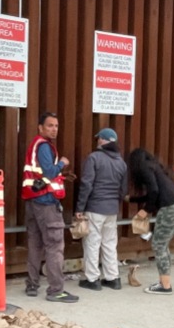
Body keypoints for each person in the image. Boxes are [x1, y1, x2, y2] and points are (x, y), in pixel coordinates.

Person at [21, 112, 78, 303]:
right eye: (50, 125)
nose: (54, 129)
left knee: (35, 244)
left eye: (56, 126)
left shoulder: (35, 145)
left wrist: (62, 175)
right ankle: (56, 290)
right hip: (46, 203)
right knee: (54, 246)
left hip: (32, 200)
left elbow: (40, 174)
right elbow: (49, 171)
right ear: (40, 127)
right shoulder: (44, 146)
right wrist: (62, 163)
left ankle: (32, 284)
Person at [126, 148, 174, 295]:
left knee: (159, 245)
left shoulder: (144, 168)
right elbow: (154, 193)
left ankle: (165, 286)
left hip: (170, 209)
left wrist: (145, 210)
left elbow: (154, 191)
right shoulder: (154, 167)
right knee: (163, 244)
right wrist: (132, 199)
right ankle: (164, 282)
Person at [74, 128, 128, 291]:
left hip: (95, 207)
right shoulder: (121, 163)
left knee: (92, 243)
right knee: (109, 244)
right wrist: (114, 203)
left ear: (104, 140)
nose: (97, 141)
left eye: (99, 138)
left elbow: (86, 184)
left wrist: (80, 208)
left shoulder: (94, 158)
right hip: (112, 209)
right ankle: (113, 278)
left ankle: (92, 279)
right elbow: (123, 190)